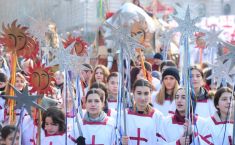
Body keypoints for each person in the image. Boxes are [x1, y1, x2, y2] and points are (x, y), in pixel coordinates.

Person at [122, 79, 163, 145]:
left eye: (146, 93)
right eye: (139, 93)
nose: (143, 98)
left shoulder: (157, 116)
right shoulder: (124, 115)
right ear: (133, 93)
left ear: (150, 94)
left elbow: (161, 141)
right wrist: (121, 142)